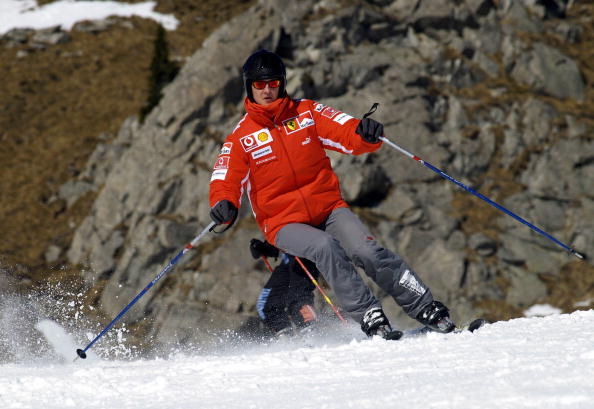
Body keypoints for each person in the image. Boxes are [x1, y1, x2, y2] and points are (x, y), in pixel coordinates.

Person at [209, 49, 455, 339]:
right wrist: (224, 203)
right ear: (249, 86)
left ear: (283, 83)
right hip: (284, 223)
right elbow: (225, 178)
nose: (266, 90)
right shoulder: (241, 137)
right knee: (325, 247)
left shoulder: (307, 113)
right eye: (259, 84)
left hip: (328, 208)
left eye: (273, 83)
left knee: (367, 251)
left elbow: (345, 130)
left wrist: (363, 132)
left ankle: (426, 307)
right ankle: (368, 314)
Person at [249, 238, 319, 337]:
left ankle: (312, 336)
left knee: (298, 299)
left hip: (305, 252)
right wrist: (267, 248)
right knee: (267, 306)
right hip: (287, 259)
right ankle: (287, 340)